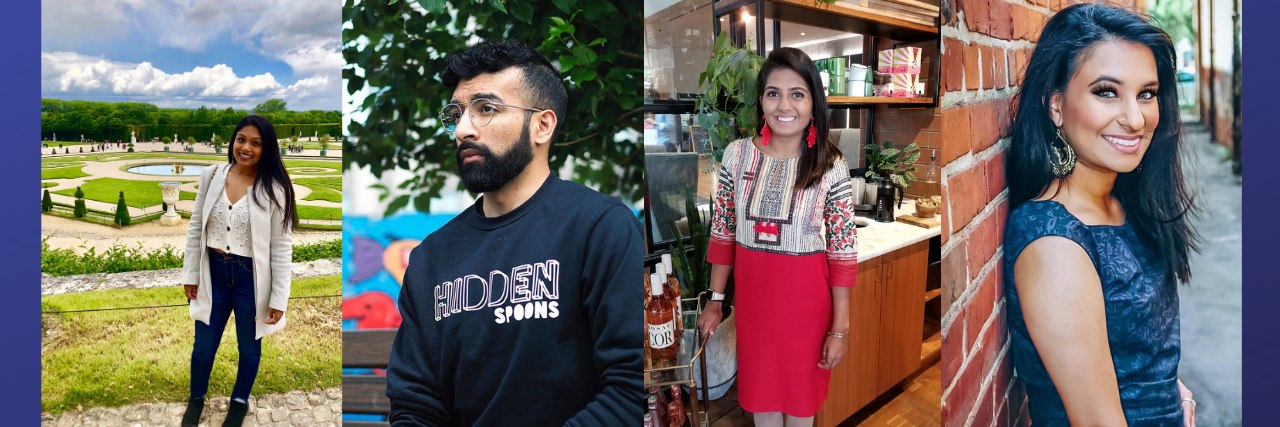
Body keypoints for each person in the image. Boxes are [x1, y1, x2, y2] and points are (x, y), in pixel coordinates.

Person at [384, 40, 643, 426]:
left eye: (486, 109)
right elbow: (416, 406)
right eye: (456, 113)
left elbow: (631, 388)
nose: (462, 129)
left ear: (542, 125)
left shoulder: (600, 228)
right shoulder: (430, 259)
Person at [1002, 4, 1200, 426]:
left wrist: (1172, 389)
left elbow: (1135, 343)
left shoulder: (1122, 198)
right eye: (1107, 91)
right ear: (1055, 105)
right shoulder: (1054, 242)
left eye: (1146, 93)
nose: (1135, 119)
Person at [695, 47, 858, 427]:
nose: (784, 105)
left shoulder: (831, 166)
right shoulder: (736, 156)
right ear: (762, 102)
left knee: (801, 412)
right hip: (755, 311)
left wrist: (840, 329)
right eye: (773, 93)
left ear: (813, 102)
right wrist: (716, 301)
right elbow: (723, 232)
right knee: (762, 407)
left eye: (796, 94)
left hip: (809, 315)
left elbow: (842, 254)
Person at [178, 115, 300, 427]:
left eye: (255, 143)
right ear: (233, 141)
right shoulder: (212, 175)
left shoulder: (275, 189)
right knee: (203, 347)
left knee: (249, 348)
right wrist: (190, 274)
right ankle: (196, 399)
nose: (245, 147)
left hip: (251, 279)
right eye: (241, 139)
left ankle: (239, 401)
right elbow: (196, 228)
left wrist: (278, 298)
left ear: (266, 148)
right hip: (213, 273)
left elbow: (281, 248)